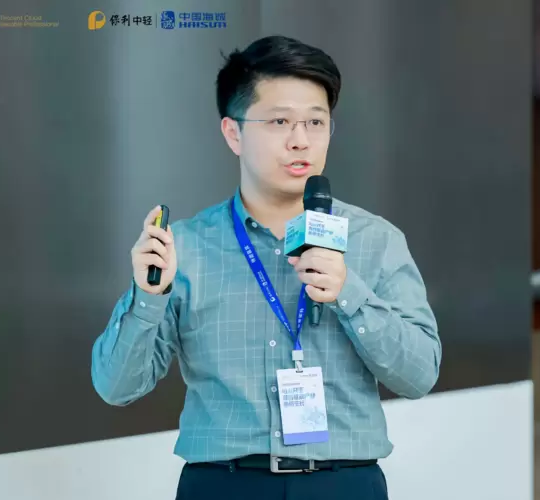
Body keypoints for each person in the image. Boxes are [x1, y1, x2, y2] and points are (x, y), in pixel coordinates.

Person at [91, 34, 441, 500]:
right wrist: (148, 297)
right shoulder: (186, 247)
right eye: (279, 121)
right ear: (233, 133)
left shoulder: (375, 240)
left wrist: (349, 293)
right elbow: (116, 387)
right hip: (223, 484)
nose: (301, 140)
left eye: (316, 122)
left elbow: (419, 375)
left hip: (344, 483)